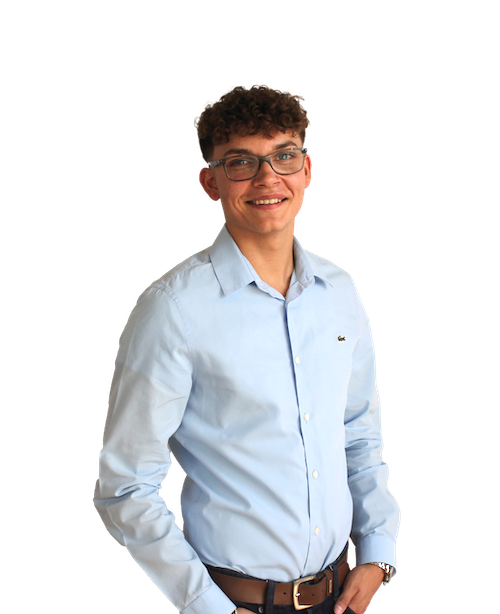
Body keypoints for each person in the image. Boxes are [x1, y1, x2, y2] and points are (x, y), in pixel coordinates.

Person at [92, 83, 402, 614]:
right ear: (210, 183)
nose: (267, 178)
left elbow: (358, 435)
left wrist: (377, 551)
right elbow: (125, 487)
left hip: (341, 596)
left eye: (284, 156)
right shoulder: (173, 310)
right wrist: (207, 606)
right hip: (235, 604)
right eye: (241, 162)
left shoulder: (340, 292)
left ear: (307, 169)